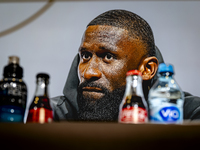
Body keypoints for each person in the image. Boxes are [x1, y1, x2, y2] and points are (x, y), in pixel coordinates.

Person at [51, 9, 200, 122]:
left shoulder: (186, 113)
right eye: (86, 56)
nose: (89, 72)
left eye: (108, 56)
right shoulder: (54, 114)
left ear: (147, 69)